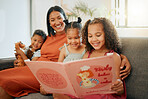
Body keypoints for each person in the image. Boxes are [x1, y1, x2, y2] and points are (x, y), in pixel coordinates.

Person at [0, 6, 130, 99]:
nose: (56, 22)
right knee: (2, 80)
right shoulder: (47, 37)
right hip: (36, 68)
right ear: (49, 23)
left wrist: (123, 58)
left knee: (6, 82)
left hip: (49, 73)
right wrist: (23, 53)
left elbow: (100, 49)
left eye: (59, 18)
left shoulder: (76, 37)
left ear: (65, 18)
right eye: (52, 20)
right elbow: (35, 51)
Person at [81, 17, 126, 98]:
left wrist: (119, 87)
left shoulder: (114, 56)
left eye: (98, 35)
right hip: (89, 90)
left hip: (105, 94)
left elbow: (118, 86)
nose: (94, 39)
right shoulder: (87, 55)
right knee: (58, 94)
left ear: (107, 35)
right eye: (90, 36)